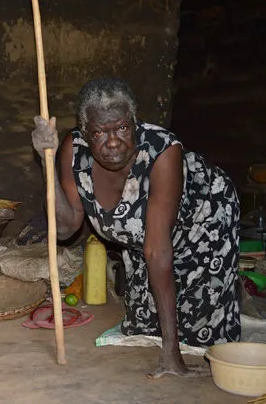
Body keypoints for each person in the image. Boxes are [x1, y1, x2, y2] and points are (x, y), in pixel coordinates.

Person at [31, 77, 241, 379]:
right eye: (100, 132)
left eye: (122, 128)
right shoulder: (73, 151)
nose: (113, 141)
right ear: (85, 134)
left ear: (135, 122)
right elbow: (65, 230)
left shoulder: (162, 151)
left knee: (201, 331)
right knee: (143, 325)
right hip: (142, 236)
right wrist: (46, 162)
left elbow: (156, 250)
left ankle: (217, 300)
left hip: (204, 217)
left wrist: (171, 354)